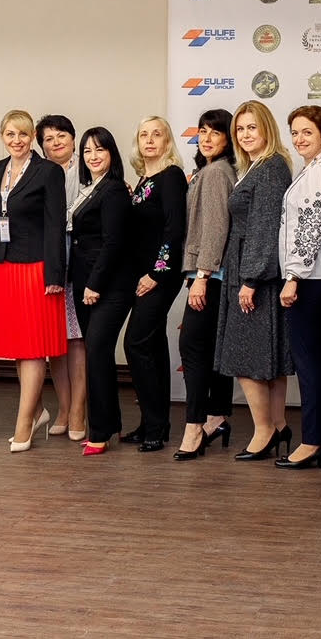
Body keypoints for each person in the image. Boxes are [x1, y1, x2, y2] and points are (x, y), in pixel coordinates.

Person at [214, 101, 293, 461]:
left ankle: (264, 430)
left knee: (247, 358)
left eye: (252, 128)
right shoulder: (256, 167)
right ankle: (277, 425)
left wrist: (251, 279)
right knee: (267, 359)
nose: (245, 135)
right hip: (249, 270)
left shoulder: (271, 168)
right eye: (240, 129)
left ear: (267, 130)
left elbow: (264, 228)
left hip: (255, 275)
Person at [0, 109, 67, 452]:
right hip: (4, 266)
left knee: (33, 348)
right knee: (18, 348)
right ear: (2, 137)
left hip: (36, 268)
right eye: (10, 134)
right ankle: (36, 411)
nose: (16, 140)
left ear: (32, 136)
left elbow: (55, 225)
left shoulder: (48, 171)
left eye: (23, 133)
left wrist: (54, 274)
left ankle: (24, 424)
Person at [275, 106, 321, 470]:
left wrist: (294, 277)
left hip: (309, 278)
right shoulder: (313, 168)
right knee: (311, 360)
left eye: (307, 132)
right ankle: (319, 439)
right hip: (307, 276)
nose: (299, 139)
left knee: (308, 362)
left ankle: (313, 441)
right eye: (295, 132)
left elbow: (312, 226)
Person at [122, 115, 188, 452]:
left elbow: (174, 231)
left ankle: (156, 425)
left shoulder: (171, 176)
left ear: (167, 141)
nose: (149, 140)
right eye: (144, 134)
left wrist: (156, 274)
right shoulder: (143, 180)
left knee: (135, 343)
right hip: (142, 275)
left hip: (160, 275)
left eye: (156, 134)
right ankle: (153, 424)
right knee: (153, 345)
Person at [174, 109, 237, 461]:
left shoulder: (215, 173)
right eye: (203, 131)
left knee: (193, 347)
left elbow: (215, 228)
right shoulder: (210, 170)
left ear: (228, 138)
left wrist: (202, 276)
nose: (207, 138)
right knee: (211, 349)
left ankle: (195, 425)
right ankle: (217, 416)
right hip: (211, 275)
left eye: (216, 132)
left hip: (210, 276)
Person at [69, 127, 133, 456]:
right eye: (87, 151)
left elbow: (114, 243)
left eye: (100, 150)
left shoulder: (114, 190)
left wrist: (95, 284)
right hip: (86, 282)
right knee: (99, 355)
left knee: (96, 352)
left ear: (112, 153)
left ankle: (100, 431)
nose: (93, 156)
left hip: (108, 285)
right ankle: (111, 424)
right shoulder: (90, 189)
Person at [37, 113, 87, 440]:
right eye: (49, 139)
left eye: (61, 136)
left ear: (73, 138)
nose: (56, 143)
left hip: (81, 260)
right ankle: (64, 409)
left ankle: (80, 411)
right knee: (55, 340)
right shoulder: (40, 173)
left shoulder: (89, 166)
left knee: (78, 339)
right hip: (50, 262)